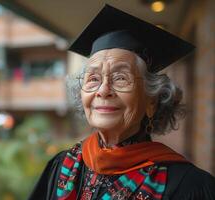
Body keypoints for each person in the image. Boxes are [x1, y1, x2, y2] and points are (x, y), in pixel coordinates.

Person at [28, 4, 215, 200]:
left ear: (152, 100)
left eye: (120, 78)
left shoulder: (191, 188)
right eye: (93, 79)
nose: (103, 90)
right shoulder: (62, 165)